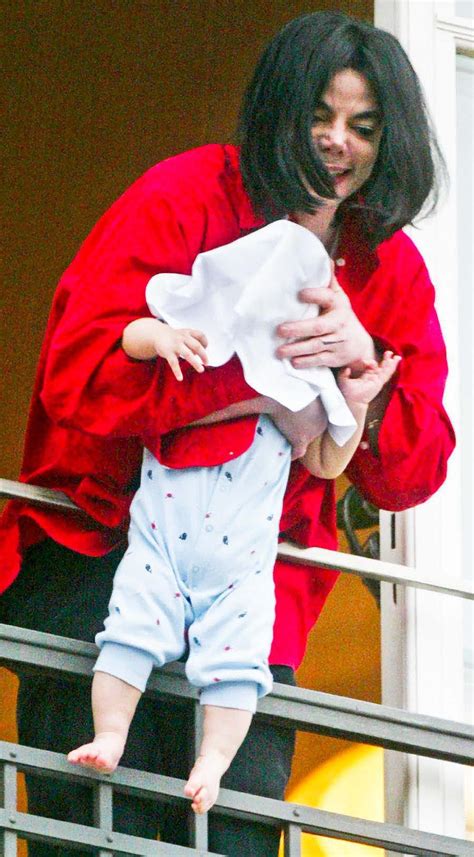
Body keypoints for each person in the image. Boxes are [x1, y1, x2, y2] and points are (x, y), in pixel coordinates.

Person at [0, 10, 455, 856]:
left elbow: (414, 470)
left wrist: (363, 370)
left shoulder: (389, 265)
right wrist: (254, 383)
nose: (335, 144)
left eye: (363, 126)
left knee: (234, 831)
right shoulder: (186, 194)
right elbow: (75, 374)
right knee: (92, 830)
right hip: (105, 562)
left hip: (253, 598)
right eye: (319, 116)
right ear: (281, 109)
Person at [67, 245, 400, 813]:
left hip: (242, 569)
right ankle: (111, 735)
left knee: (240, 671)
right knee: (125, 641)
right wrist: (159, 339)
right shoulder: (201, 339)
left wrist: (356, 401)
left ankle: (214, 763)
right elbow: (132, 334)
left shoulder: (305, 385)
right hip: (160, 549)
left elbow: (325, 461)